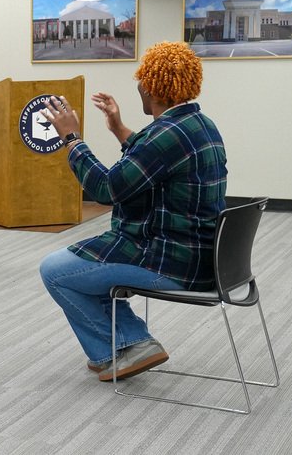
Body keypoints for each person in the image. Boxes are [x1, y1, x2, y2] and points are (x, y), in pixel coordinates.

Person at [37, 41, 227, 382]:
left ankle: (130, 344)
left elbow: (106, 189)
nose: (138, 84)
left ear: (150, 87)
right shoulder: (199, 124)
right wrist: (118, 128)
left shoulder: (165, 135)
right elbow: (155, 162)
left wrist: (72, 139)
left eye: (141, 79)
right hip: (201, 256)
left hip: (171, 261)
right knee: (85, 264)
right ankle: (124, 344)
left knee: (55, 270)